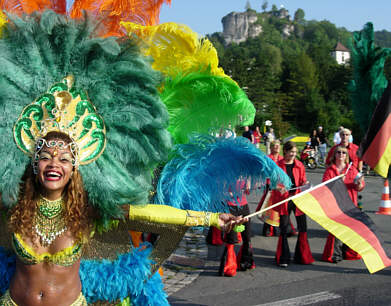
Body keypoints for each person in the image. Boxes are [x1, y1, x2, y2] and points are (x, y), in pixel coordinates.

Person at [0, 12, 244, 305]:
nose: (55, 163)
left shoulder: (87, 210)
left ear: (75, 167)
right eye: (46, 156)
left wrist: (214, 218)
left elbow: (151, 215)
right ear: (33, 163)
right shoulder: (14, 207)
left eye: (64, 159)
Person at [271, 141, 314, 267]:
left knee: (303, 227)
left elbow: (302, 180)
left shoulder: (299, 165)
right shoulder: (278, 166)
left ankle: (302, 256)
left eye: (295, 152)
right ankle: (283, 257)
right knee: (284, 228)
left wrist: (306, 183)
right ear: (285, 151)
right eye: (291, 152)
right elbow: (273, 182)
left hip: (297, 198)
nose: (293, 155)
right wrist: (279, 188)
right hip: (284, 200)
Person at [321, 146, 365, 263]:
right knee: (337, 230)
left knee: (350, 229)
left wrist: (359, 184)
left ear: (346, 156)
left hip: (350, 204)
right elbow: (325, 187)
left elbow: (359, 187)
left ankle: (347, 252)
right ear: (334, 155)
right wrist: (339, 181)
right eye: (339, 152)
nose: (341, 154)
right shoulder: (330, 170)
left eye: (344, 153)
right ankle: (336, 254)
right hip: (335, 204)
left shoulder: (352, 169)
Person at [219, 180, 255, 276]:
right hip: (229, 208)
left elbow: (248, 192)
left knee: (247, 237)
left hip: (243, 207)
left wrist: (249, 186)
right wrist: (231, 193)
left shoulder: (245, 174)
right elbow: (219, 192)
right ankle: (228, 267)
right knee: (231, 240)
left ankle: (245, 262)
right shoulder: (225, 173)